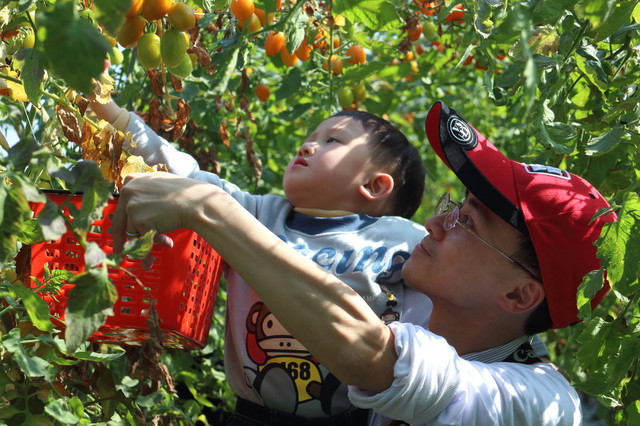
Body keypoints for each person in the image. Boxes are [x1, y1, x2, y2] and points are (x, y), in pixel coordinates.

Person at [111, 100, 617, 425]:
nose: (436, 225)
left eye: (469, 224)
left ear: (519, 295)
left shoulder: (540, 404)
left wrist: (209, 211)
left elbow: (377, 361)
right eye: (453, 208)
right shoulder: (419, 301)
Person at [90, 99, 430, 423]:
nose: (307, 146)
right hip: (251, 414)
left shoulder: (401, 238)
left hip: (351, 418)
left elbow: (454, 288)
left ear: (374, 185)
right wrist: (112, 113)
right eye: (310, 138)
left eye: (332, 141)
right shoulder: (258, 215)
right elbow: (182, 173)